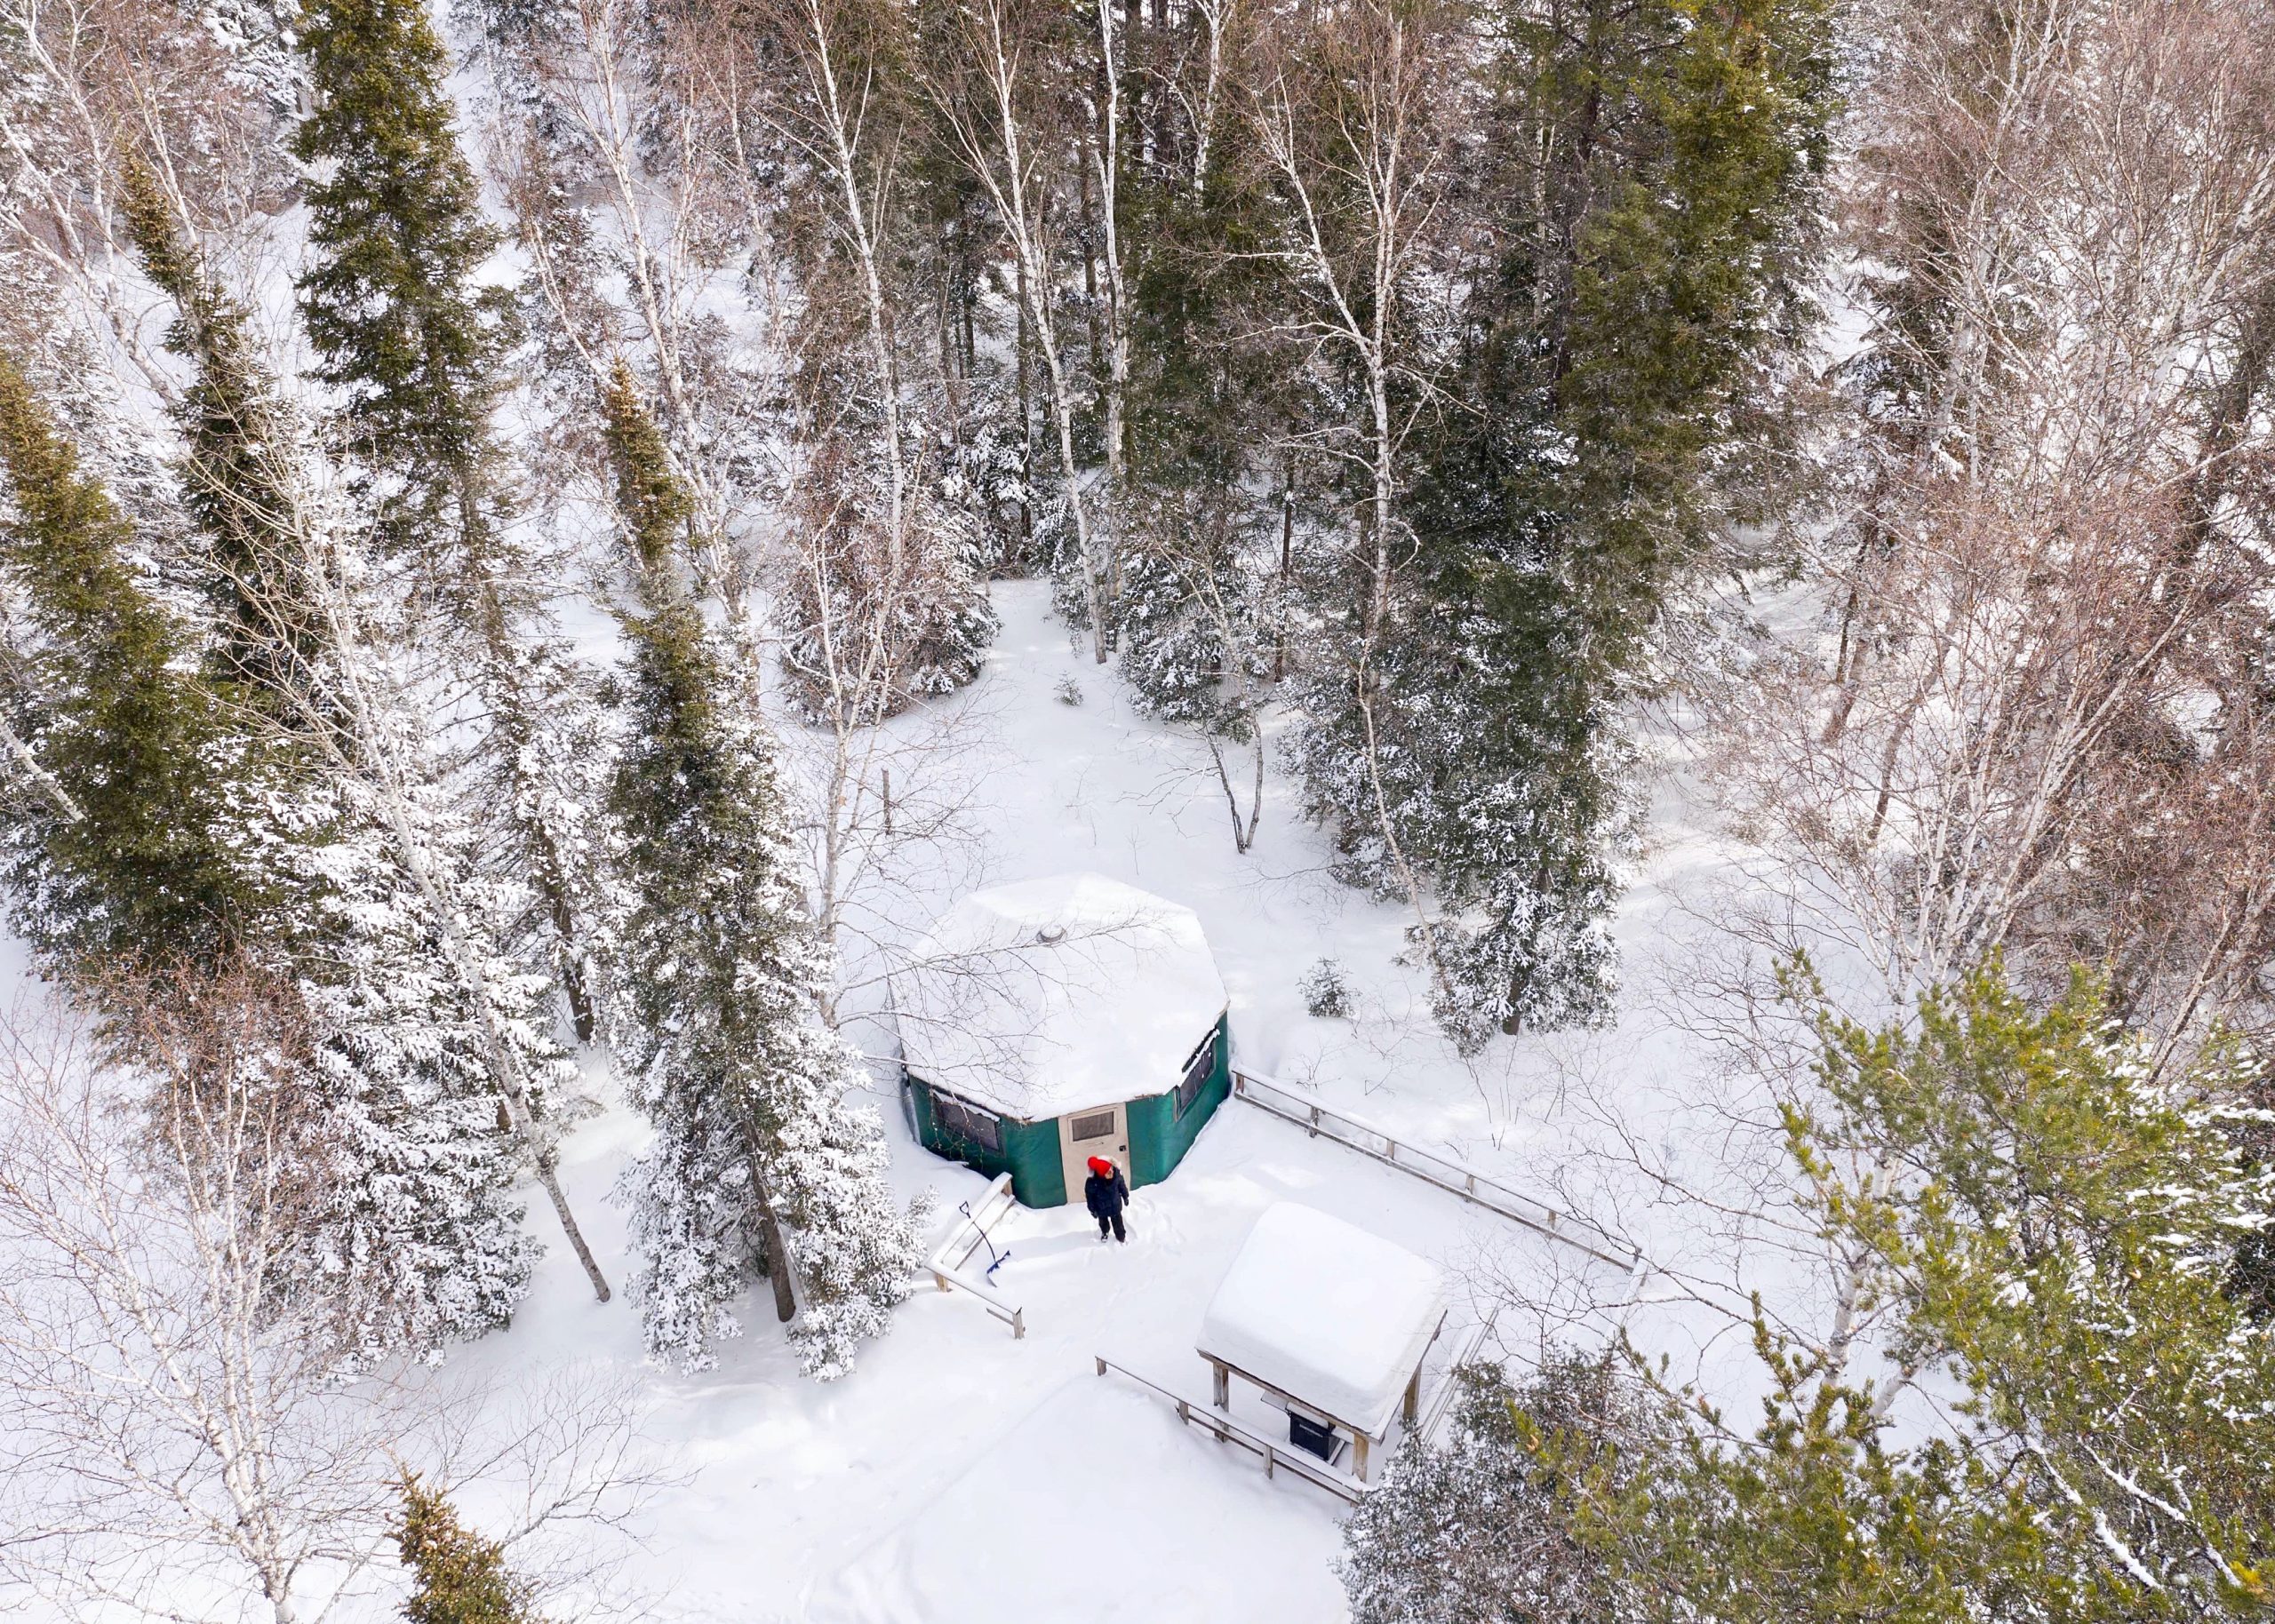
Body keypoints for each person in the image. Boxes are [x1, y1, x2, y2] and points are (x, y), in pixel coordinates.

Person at [1083, 1155, 1130, 1244]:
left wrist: (1125, 1196)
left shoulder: (1116, 1174)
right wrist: (1092, 1210)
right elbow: (1090, 1197)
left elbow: (1122, 1185)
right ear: (1102, 1175)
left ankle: (1121, 1235)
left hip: (1115, 1205)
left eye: (1111, 1169)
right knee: (1103, 1223)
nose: (1112, 1172)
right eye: (1108, 1172)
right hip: (1101, 1208)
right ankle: (1105, 1232)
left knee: (1118, 1223)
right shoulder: (1092, 1183)